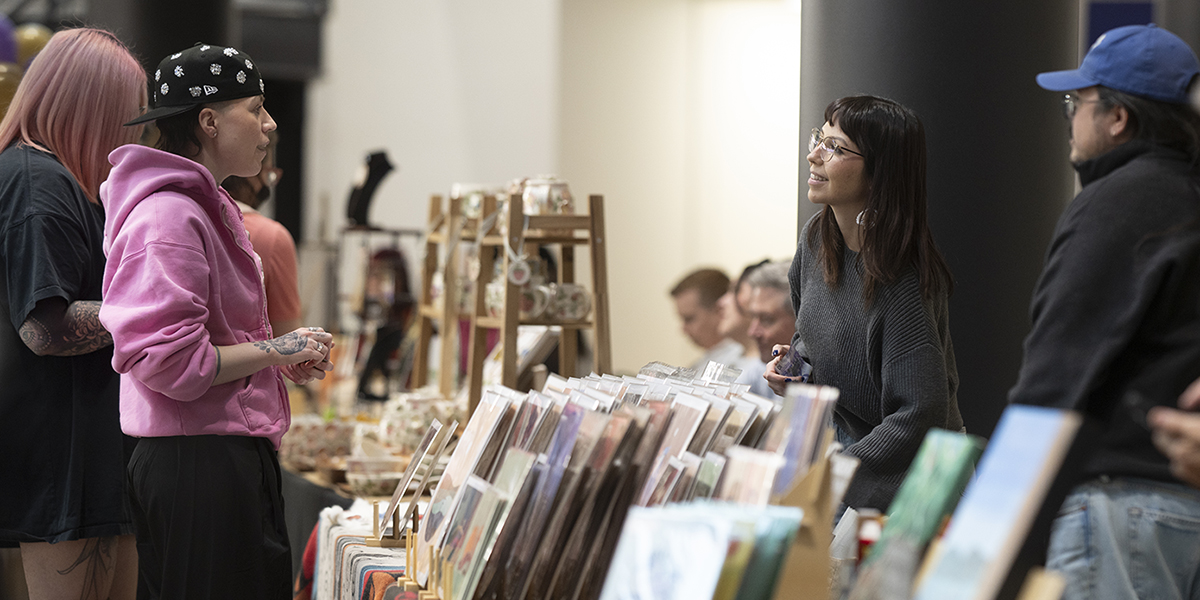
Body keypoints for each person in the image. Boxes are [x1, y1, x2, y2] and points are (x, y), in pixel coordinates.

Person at [99, 43, 334, 598]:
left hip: (219, 456)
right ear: (208, 121)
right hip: (196, 465)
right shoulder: (168, 215)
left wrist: (280, 356)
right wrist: (281, 349)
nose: (269, 125)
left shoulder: (204, 206)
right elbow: (172, 363)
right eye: (255, 108)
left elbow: (215, 344)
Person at [1011, 24, 1200, 600]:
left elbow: (1058, 367)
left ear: (1117, 118)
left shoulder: (1117, 202)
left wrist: (1002, 522)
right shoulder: (1186, 197)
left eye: (1079, 101)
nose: (1071, 117)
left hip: (1121, 509)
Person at [0, 28, 144, 599]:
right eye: (126, 116)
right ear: (93, 106)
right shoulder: (38, 182)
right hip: (60, 462)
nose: (132, 134)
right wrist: (156, 310)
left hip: (84, 460)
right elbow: (46, 327)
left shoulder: (55, 181)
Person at [764, 95, 960, 511]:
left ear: (878, 172)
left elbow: (919, 415)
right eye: (820, 138)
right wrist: (792, 371)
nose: (813, 154)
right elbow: (807, 341)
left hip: (913, 478)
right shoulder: (816, 240)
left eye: (835, 148)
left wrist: (833, 474)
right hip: (849, 458)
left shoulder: (900, 277)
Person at [224, 132, 301, 333]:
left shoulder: (185, 215)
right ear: (250, 170)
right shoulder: (272, 237)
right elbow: (288, 340)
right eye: (269, 173)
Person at [669, 267, 741, 371]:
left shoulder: (741, 363)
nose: (683, 329)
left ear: (719, 310)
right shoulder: (701, 364)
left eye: (689, 319)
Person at [742, 261, 796, 396]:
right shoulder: (761, 369)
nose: (752, 332)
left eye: (766, 320)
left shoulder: (822, 384)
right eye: (753, 317)